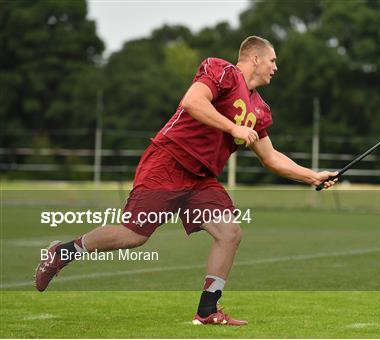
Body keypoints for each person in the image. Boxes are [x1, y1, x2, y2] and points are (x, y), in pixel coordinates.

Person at [34, 36, 338, 326]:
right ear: (255, 58)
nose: (276, 67)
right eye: (272, 60)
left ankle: (208, 310)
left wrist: (314, 176)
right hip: (170, 160)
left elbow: (271, 158)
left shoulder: (259, 109)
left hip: (201, 178)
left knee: (230, 232)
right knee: (134, 235)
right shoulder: (223, 72)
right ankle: (63, 253)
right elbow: (192, 101)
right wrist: (233, 127)